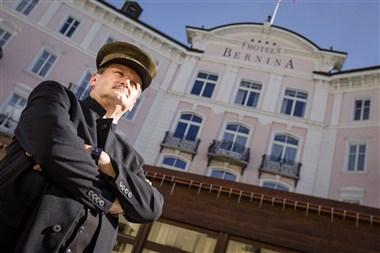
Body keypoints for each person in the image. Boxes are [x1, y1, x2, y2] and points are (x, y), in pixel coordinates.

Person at [0, 41, 164, 252]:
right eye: (119, 73)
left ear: (133, 104)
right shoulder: (57, 97)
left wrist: (103, 161)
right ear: (94, 79)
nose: (126, 82)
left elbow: (151, 207)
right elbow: (53, 147)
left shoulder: (131, 158)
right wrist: (110, 201)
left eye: (134, 84)